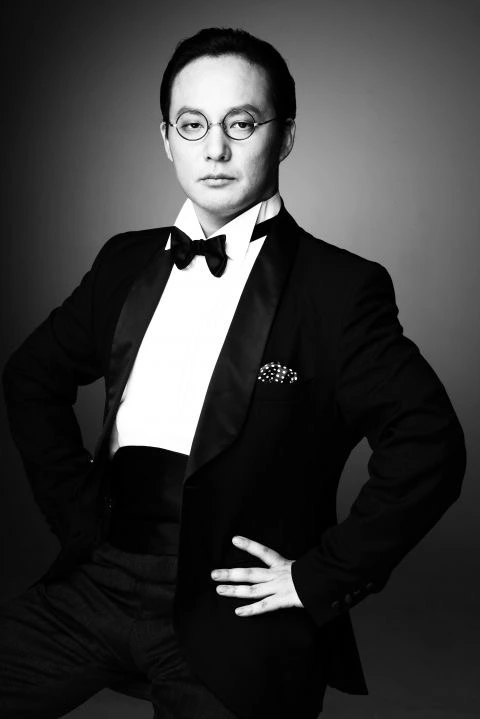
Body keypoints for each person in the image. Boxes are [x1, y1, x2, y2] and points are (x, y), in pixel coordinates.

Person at [0, 26, 467, 719]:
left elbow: (430, 443)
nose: (214, 149)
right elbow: (30, 376)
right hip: (98, 578)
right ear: (167, 139)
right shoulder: (124, 261)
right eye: (193, 125)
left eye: (241, 123)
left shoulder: (338, 289)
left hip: (233, 610)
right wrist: (74, 510)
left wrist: (318, 577)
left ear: (285, 137)